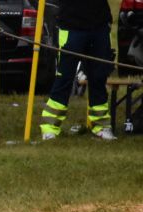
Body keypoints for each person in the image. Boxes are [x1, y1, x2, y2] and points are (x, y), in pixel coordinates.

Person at [40, 0, 115, 141]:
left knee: (99, 77)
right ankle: (50, 127)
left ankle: (101, 125)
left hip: (99, 24)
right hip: (71, 24)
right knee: (64, 77)